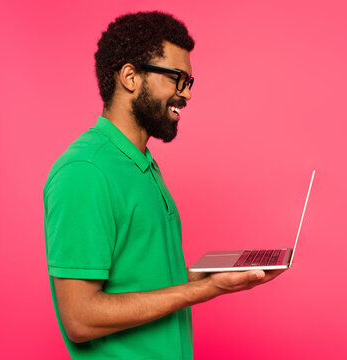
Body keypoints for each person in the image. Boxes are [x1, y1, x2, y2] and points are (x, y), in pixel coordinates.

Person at [43, 11, 284, 360]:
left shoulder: (142, 165)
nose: (185, 94)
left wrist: (207, 278)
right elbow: (80, 318)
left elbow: (141, 284)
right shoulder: (86, 171)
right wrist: (203, 292)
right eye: (176, 78)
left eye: (189, 81)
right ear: (130, 77)